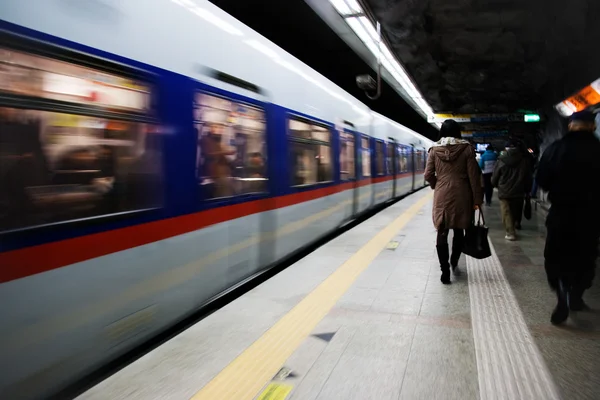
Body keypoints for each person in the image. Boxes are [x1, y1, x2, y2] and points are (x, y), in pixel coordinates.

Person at [536, 110, 600, 325]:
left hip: (561, 212)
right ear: (592, 126)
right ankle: (576, 295)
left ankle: (562, 291)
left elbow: (542, 180)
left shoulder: (555, 149)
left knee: (556, 255)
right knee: (586, 255)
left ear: (571, 125)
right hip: (591, 215)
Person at [425, 119, 483, 284]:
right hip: (462, 194)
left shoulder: (434, 150)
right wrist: (477, 199)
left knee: (442, 231)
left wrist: (438, 184)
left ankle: (444, 271)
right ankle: (454, 261)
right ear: (458, 132)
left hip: (442, 194)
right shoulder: (467, 149)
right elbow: (474, 177)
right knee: (459, 230)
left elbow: (428, 174)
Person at [491, 139, 533, 241]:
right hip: (519, 190)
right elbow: (528, 177)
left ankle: (510, 232)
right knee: (516, 209)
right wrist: (527, 189)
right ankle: (516, 223)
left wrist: (495, 184)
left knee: (506, 212)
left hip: (504, 191)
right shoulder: (524, 160)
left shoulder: (501, 160)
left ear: (506, 148)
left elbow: (495, 176)